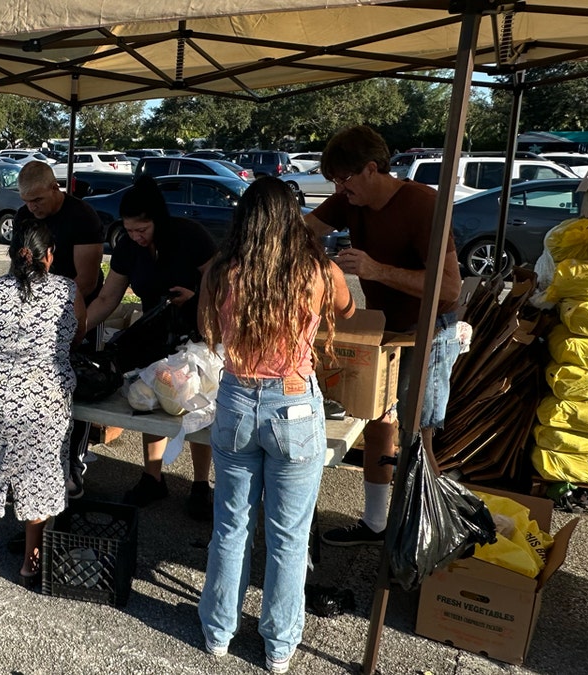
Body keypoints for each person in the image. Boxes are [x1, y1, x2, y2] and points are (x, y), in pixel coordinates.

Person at [197, 177, 354, 673]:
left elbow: (207, 328)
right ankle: (279, 647)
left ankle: (219, 632)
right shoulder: (317, 271)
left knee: (231, 526)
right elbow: (348, 311)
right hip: (294, 403)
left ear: (244, 219)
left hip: (237, 397)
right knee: (289, 536)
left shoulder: (221, 271)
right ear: (292, 219)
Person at [304, 126, 462, 547]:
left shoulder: (424, 204)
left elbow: (449, 289)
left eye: (345, 180)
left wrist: (375, 271)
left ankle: (427, 535)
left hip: (426, 332)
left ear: (372, 169)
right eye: (334, 182)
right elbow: (304, 230)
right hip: (382, 330)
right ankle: (376, 524)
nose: (340, 190)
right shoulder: (348, 199)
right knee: (377, 422)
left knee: (418, 433)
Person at [84, 175, 217, 519]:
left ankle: (201, 484)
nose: (136, 236)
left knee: (196, 408)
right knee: (150, 401)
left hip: (199, 337)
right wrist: (77, 327)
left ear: (158, 220)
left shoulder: (191, 236)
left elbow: (222, 285)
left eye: (142, 229)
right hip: (155, 335)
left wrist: (195, 299)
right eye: (129, 230)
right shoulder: (129, 247)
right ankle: (152, 477)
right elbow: (107, 297)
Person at [0, 218, 87, 584]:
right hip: (46, 400)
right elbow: (76, 338)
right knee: (42, 476)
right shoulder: (68, 291)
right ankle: (29, 563)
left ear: (13, 253)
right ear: (49, 256)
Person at [15, 160, 104, 498]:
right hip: (38, 310)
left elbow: (88, 280)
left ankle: (74, 465)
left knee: (76, 390)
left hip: (79, 308)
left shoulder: (82, 217)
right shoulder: (25, 216)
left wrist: (53, 310)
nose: (31, 207)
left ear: (56, 188)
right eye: (26, 201)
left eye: (37, 200)